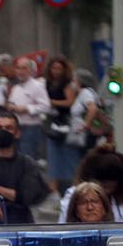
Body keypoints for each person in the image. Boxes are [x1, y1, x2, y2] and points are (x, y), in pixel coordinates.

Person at [0, 113, 49, 225]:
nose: (3, 131)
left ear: (18, 133)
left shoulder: (27, 163)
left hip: (21, 225)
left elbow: (26, 196)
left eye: (9, 128)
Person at [56, 148, 123, 222]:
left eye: (112, 180)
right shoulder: (74, 194)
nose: (107, 185)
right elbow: (64, 227)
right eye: (102, 181)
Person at [42, 57, 80, 188]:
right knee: (53, 158)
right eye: (53, 68)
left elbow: (70, 102)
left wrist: (52, 102)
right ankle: (54, 188)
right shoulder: (47, 83)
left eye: (58, 68)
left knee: (69, 157)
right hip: (52, 122)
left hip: (66, 122)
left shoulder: (67, 84)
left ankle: (73, 186)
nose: (55, 71)